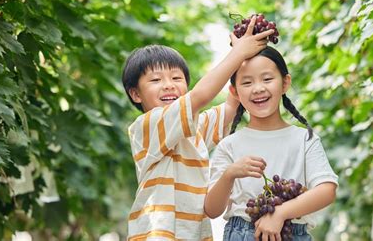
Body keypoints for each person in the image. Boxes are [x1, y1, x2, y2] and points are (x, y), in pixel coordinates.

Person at [122, 16, 275, 240]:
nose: (168, 85)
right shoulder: (147, 125)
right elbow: (201, 95)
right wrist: (238, 53)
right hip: (155, 233)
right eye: (155, 80)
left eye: (177, 77)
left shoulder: (192, 129)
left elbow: (231, 106)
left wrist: (244, 60)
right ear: (136, 94)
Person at [204, 46, 338, 241]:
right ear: (235, 92)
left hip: (292, 233)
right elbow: (212, 209)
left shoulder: (304, 139)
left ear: (285, 83)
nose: (258, 88)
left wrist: (281, 213)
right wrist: (229, 175)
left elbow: (327, 190)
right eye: (247, 82)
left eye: (267, 79)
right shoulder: (229, 145)